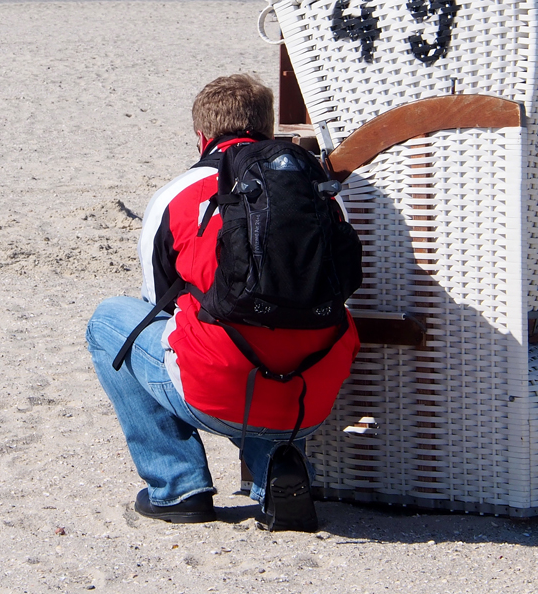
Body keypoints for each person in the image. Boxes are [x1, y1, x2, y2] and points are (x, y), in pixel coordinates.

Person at [86, 74, 360, 528]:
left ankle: (178, 487)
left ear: (202, 136)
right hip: (309, 399)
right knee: (285, 328)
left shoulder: (178, 195)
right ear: (268, 130)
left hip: (218, 393)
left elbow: (158, 307)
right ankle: (278, 473)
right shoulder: (315, 192)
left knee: (112, 322)